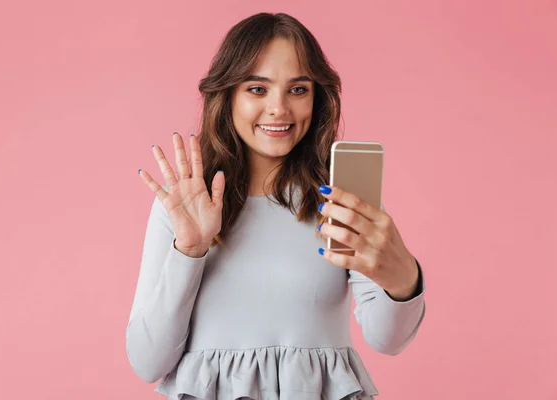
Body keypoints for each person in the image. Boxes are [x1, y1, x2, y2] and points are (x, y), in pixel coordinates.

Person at [127, 12, 426, 400]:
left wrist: (404, 275)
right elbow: (148, 362)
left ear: (317, 97)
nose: (279, 109)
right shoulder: (186, 205)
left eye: (298, 89)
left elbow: (389, 340)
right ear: (228, 94)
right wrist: (190, 251)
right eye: (257, 89)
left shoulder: (340, 198)